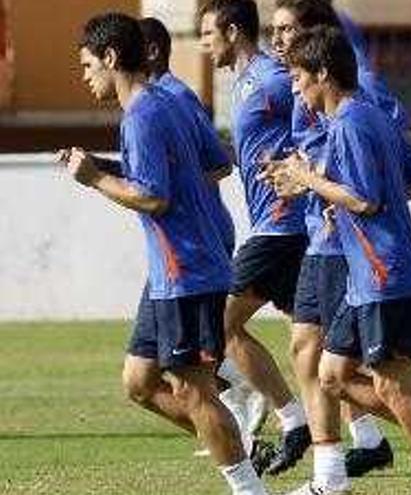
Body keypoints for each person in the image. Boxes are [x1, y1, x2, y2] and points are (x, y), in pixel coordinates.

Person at [262, 26, 411, 494]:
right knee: (331, 373)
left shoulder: (352, 122)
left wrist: (308, 179)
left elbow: (364, 201)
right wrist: (317, 186)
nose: (295, 88)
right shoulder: (366, 115)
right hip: (367, 276)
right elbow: (402, 182)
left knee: (390, 387)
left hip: (385, 274)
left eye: (299, 77)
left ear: (323, 73)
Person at [58, 12, 269, 494]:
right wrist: (104, 166)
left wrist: (95, 179)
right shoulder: (167, 103)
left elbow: (155, 197)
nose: (85, 75)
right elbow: (208, 165)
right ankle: (236, 447)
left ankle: (247, 483)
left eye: (89, 65)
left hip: (187, 270)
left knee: (193, 390)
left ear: (111, 58)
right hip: (172, 273)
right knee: (139, 382)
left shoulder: (142, 116)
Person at [138, 15, 271, 457]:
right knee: (145, 378)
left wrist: (172, 184)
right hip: (177, 249)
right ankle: (232, 419)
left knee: (179, 362)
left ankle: (236, 405)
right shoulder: (150, 102)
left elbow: (218, 163)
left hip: (197, 244)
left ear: (151, 53)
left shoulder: (173, 99)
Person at [199, 0, 311, 476]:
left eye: (207, 34)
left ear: (231, 31)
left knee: (218, 325)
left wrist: (298, 171)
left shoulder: (270, 78)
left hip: (283, 225)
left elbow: (317, 122)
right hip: (276, 226)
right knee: (325, 354)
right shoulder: (244, 84)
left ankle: (288, 418)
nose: (203, 44)